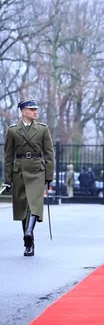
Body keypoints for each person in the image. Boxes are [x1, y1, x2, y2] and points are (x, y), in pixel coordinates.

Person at [3, 97, 55, 257]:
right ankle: (29, 242)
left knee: (34, 204)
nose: (35, 112)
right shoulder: (12, 130)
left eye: (35, 109)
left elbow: (49, 153)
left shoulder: (42, 129)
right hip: (19, 171)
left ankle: (28, 232)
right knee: (22, 207)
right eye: (32, 109)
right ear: (23, 111)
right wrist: (8, 179)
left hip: (37, 171)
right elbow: (8, 155)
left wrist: (49, 175)